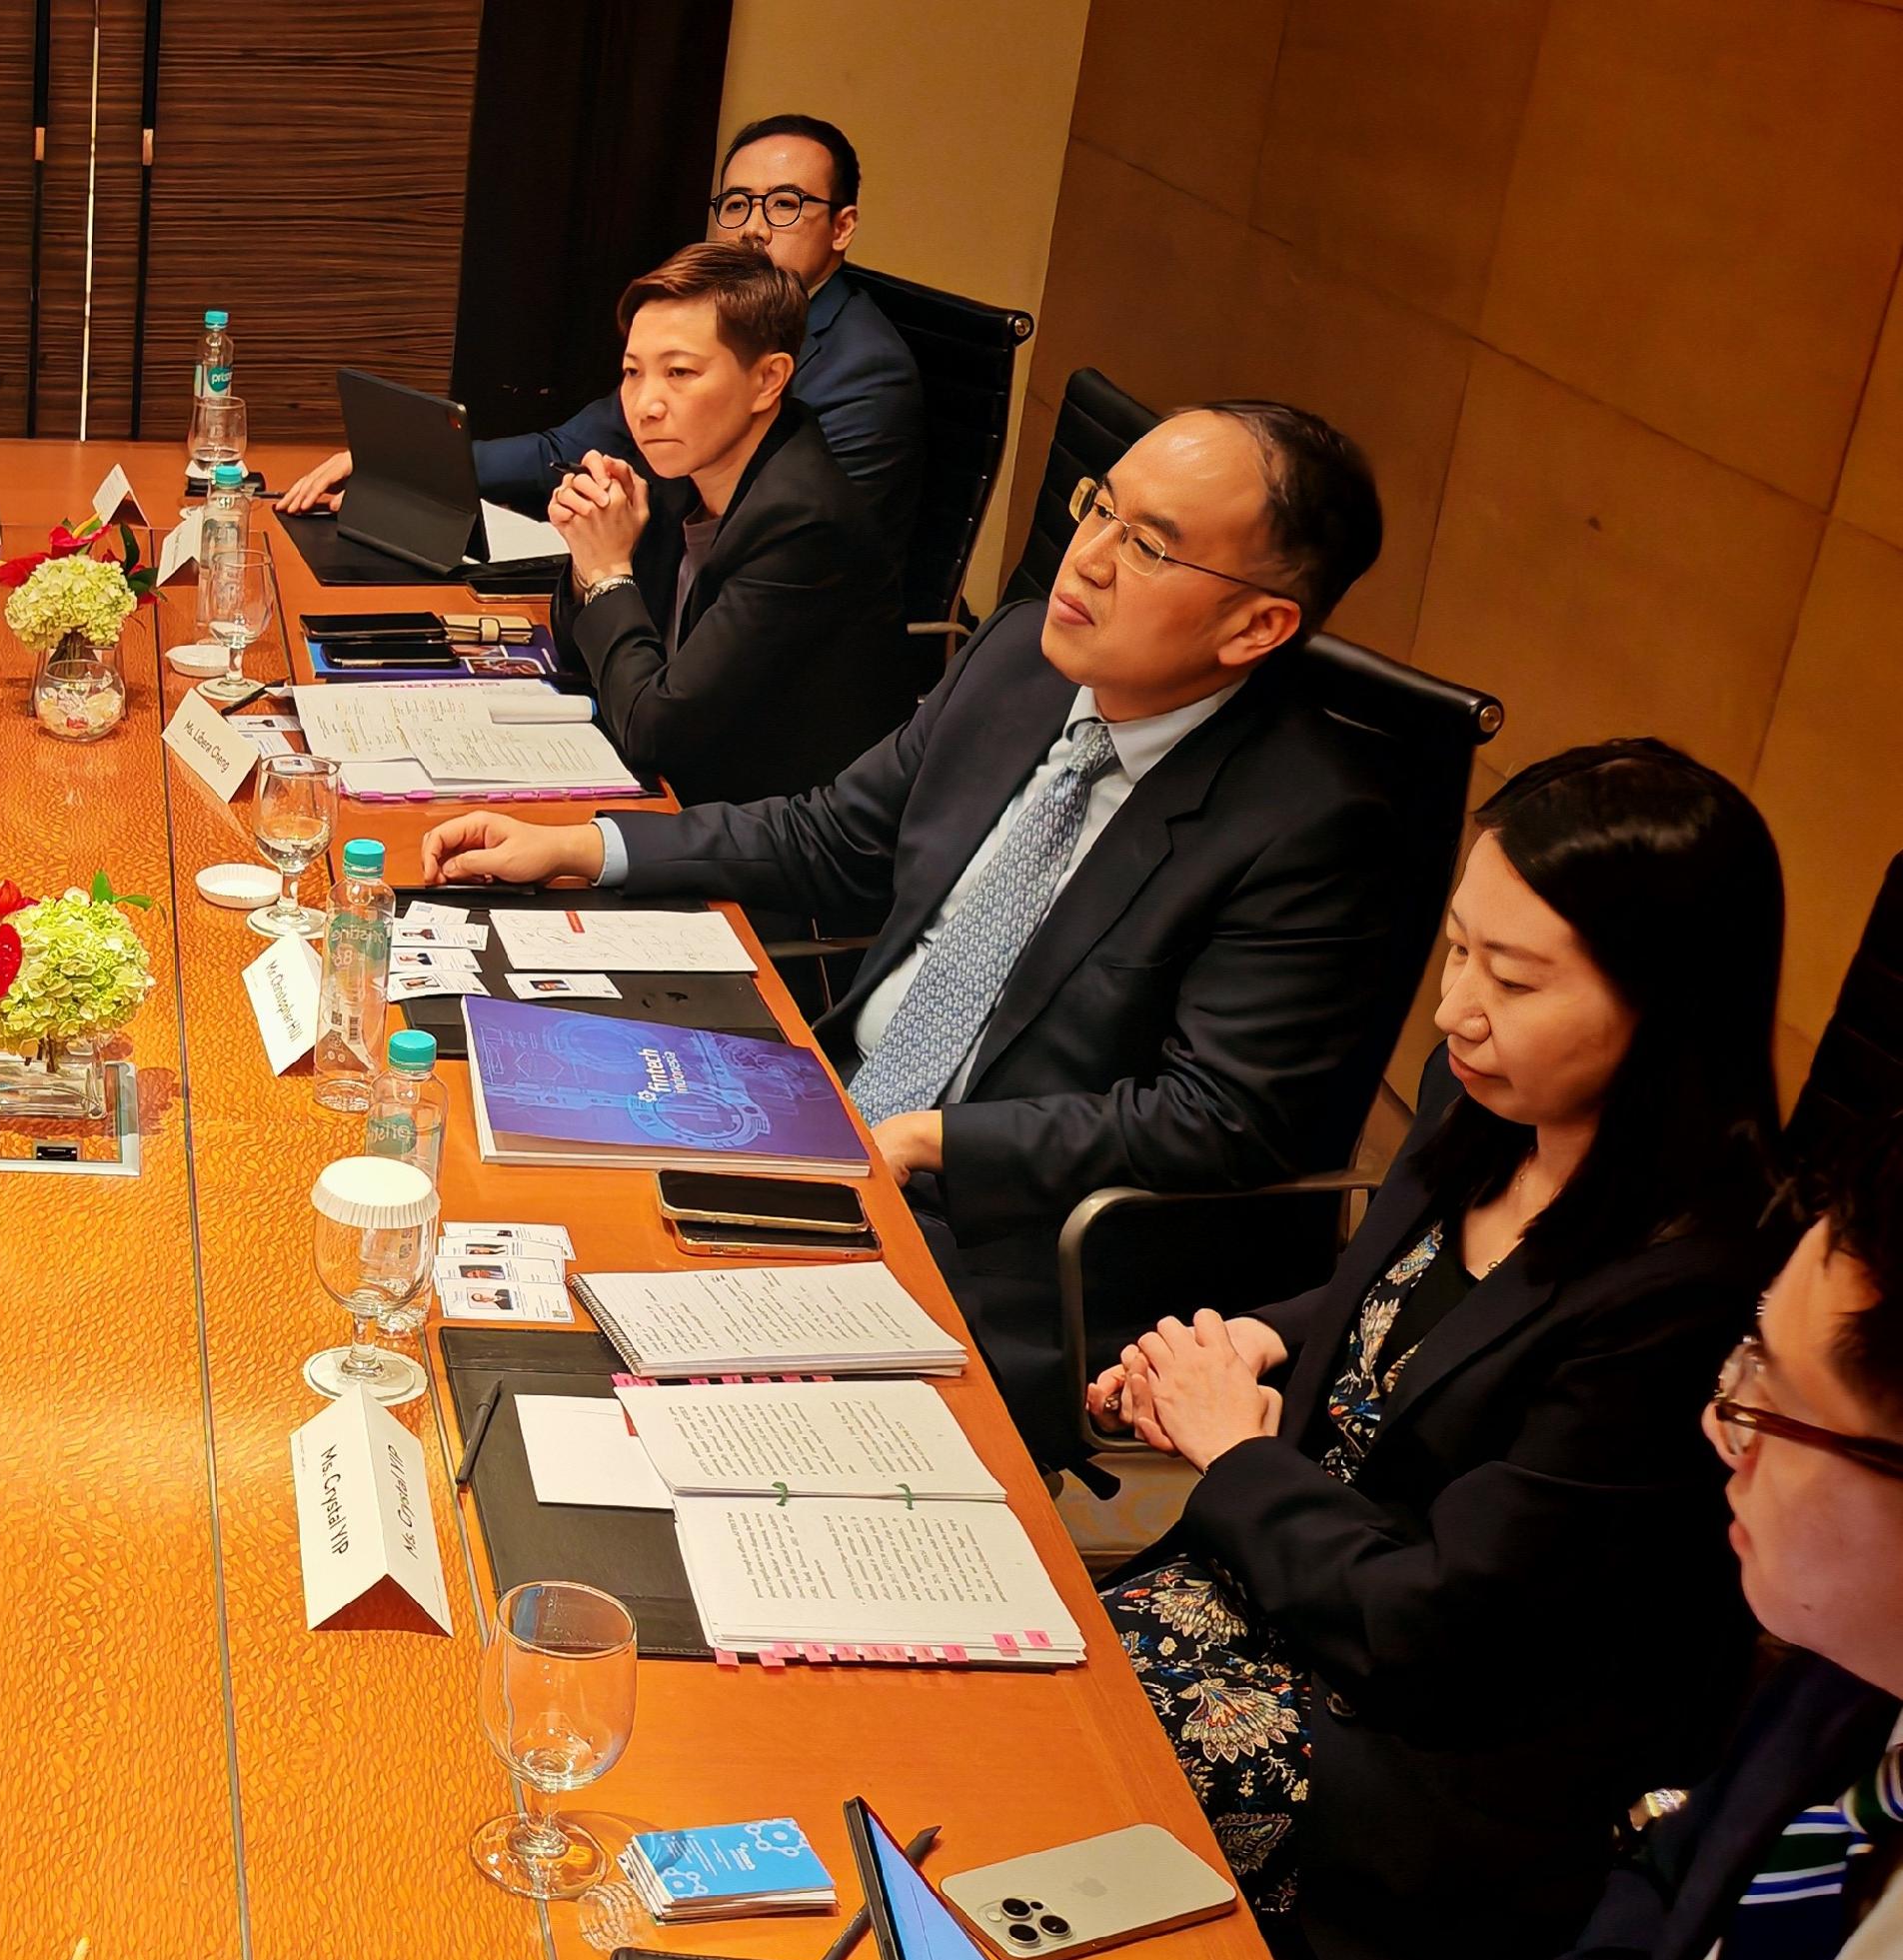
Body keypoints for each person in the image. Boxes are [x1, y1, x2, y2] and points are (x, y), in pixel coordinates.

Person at [417, 402, 1433, 1467]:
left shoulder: (1317, 824)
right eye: (1100, 510)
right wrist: (587, 847)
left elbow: (1216, 1118)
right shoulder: (1025, 661)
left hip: (1010, 1235)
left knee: (639, 1412)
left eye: (1146, 546)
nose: (1084, 559)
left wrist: (928, 1140)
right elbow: (840, 835)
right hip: (822, 1101)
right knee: (497, 1181)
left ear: (1256, 627)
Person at [1089, 741, 1785, 1960]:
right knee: (987, 1669)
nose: (1458, 1007)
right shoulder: (1483, 1113)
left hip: (1420, 1765)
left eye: (1513, 978)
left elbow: (1443, 1623)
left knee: (1038, 1784)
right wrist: (1247, 1343)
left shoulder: (1691, 1286)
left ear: (1668, 1003)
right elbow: (1399, 1306)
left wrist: (1236, 1458)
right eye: (1459, 949)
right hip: (1259, 1602)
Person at [1332, 1131, 1903, 1960]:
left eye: (1770, 1401)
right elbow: (1669, 1885)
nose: (1718, 1427)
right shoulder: (1847, 1668)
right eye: (1741, 1361)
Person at [278, 114, 924, 539]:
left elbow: (795, 548)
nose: (752, 226)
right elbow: (567, 448)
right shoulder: (701, 325)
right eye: (735, 205)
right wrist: (406, 468)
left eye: (784, 204)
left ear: (842, 226)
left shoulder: (867, 371)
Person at [543, 241, 917, 803]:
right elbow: (582, 656)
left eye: (680, 372)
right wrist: (590, 557)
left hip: (773, 838)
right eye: (632, 372)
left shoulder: (803, 524)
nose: (646, 404)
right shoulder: (681, 467)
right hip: (686, 796)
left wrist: (607, 569)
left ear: (768, 380)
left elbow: (655, 733)